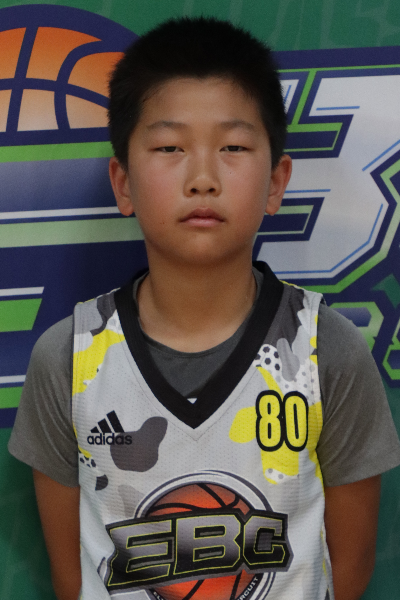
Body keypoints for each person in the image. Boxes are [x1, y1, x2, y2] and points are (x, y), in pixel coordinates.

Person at [8, 16, 400, 600]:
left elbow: (349, 569)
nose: (202, 178)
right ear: (123, 182)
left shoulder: (327, 351)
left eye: (233, 147)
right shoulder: (67, 357)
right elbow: (74, 580)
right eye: (170, 147)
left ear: (276, 181)